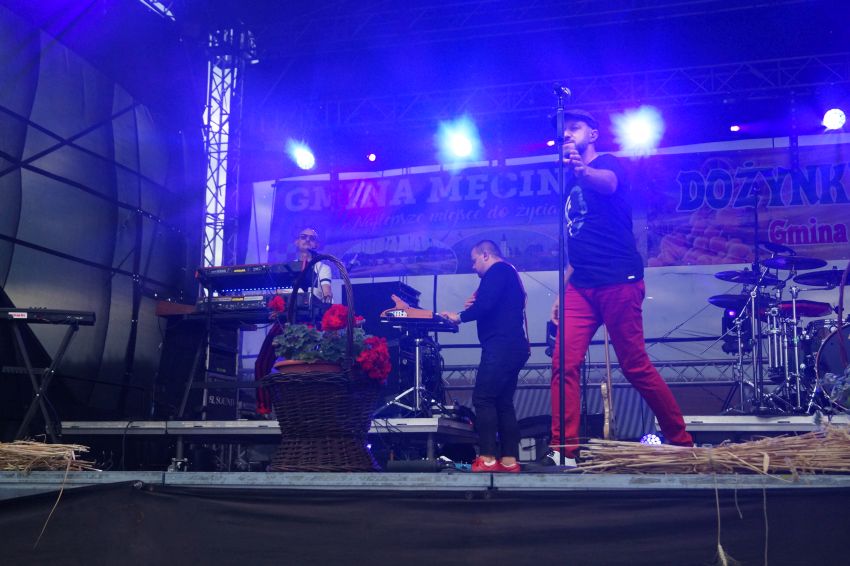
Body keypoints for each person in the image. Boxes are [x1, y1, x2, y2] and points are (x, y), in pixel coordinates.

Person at [548, 109, 693, 466]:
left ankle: (682, 441)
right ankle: (563, 451)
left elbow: (608, 183)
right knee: (563, 363)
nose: (568, 134)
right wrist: (561, 292)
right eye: (564, 130)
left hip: (618, 280)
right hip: (581, 285)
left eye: (575, 128)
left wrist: (582, 171)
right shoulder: (570, 185)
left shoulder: (608, 164)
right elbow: (579, 240)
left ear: (593, 134)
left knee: (634, 365)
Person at [442, 240, 530, 473]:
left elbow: (486, 305)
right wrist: (477, 302)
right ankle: (509, 460)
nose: (473, 267)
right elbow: (491, 303)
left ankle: (488, 458)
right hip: (513, 346)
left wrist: (459, 316)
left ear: (485, 255)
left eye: (474, 261)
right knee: (503, 402)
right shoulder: (508, 274)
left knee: (483, 398)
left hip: (501, 346)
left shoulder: (497, 271)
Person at [294, 228, 333, 303]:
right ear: (296, 242)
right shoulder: (289, 266)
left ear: (316, 244)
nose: (307, 239)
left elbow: (327, 293)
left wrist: (328, 298)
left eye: (312, 238)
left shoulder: (323, 268)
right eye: (303, 237)